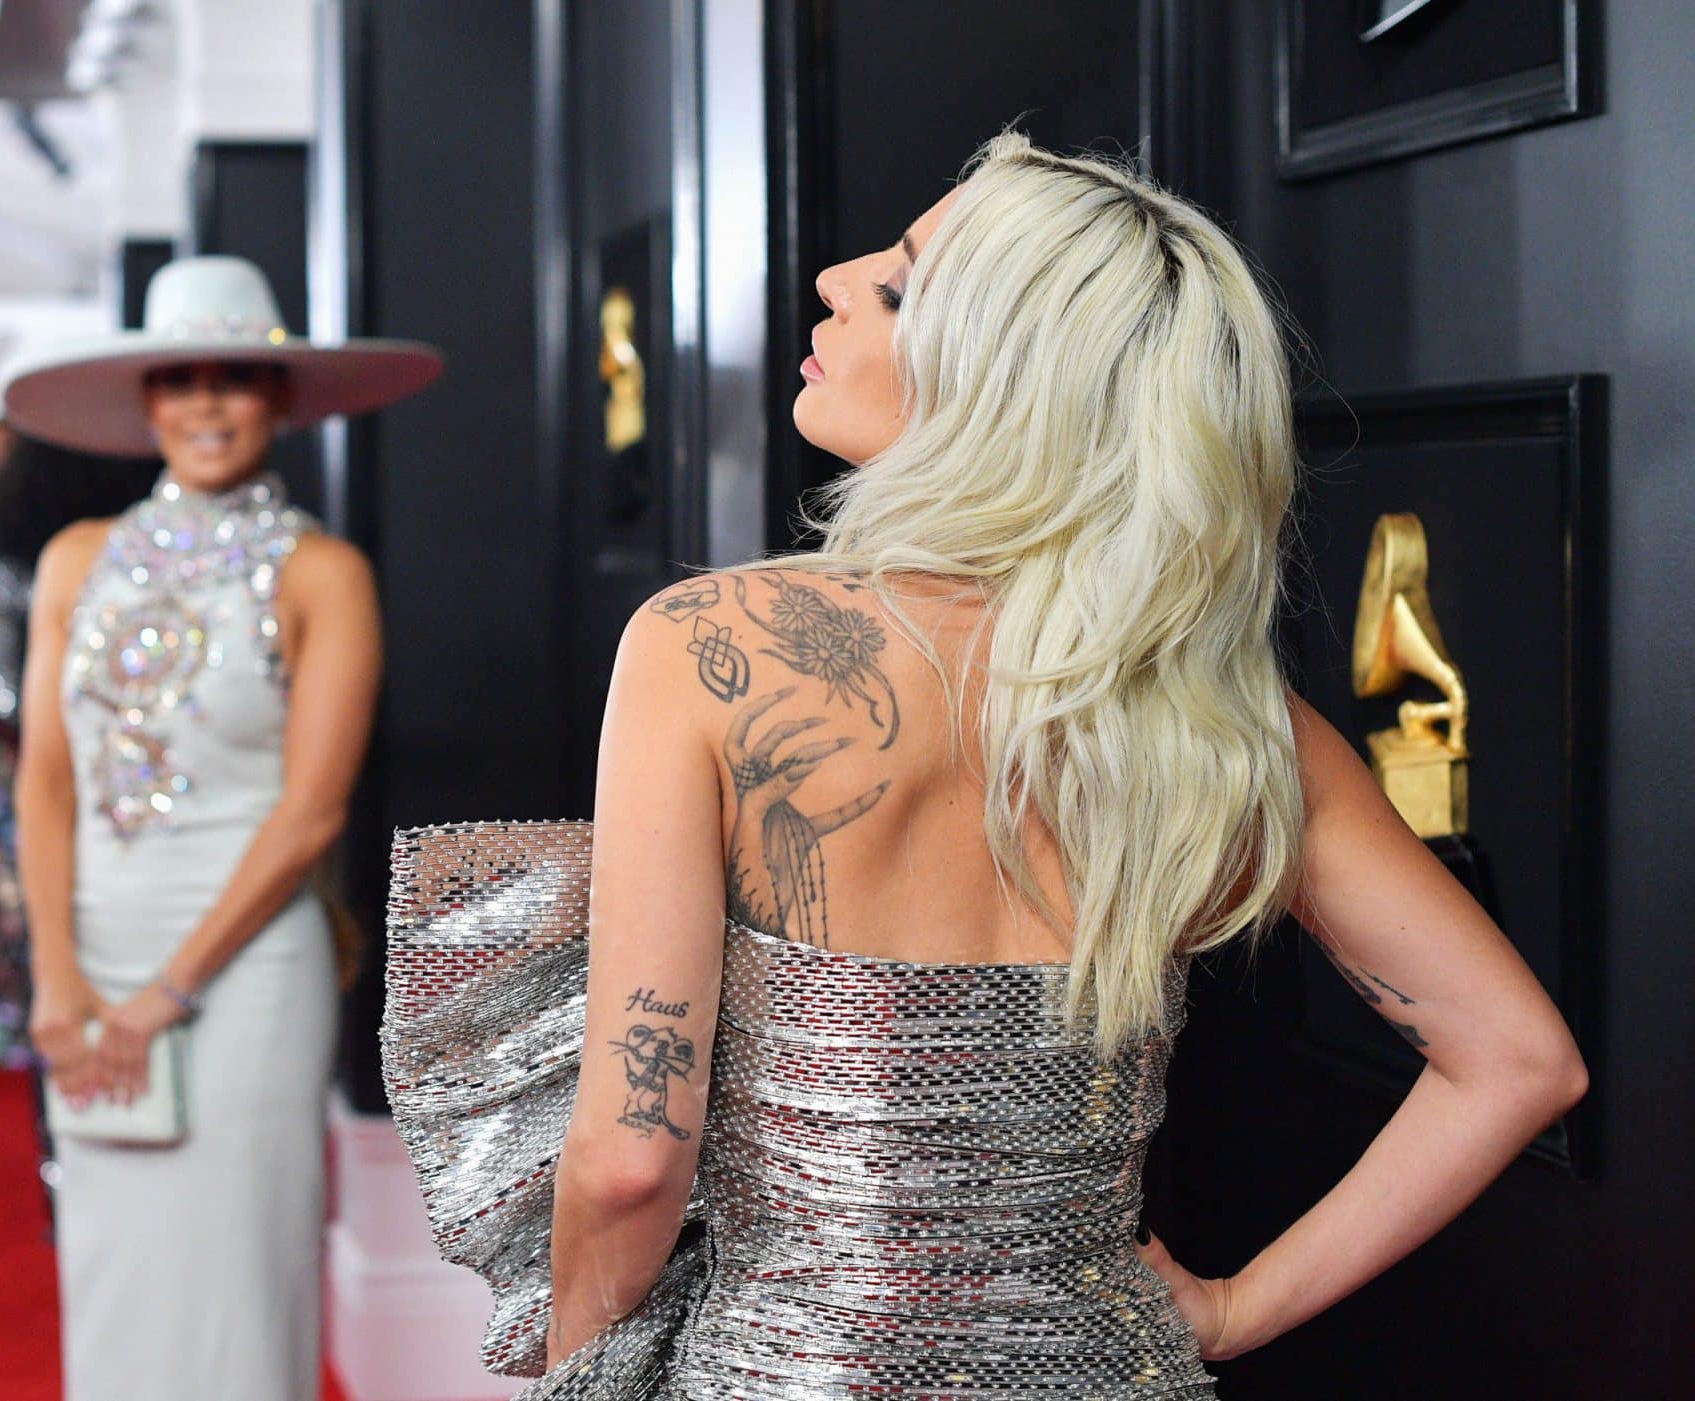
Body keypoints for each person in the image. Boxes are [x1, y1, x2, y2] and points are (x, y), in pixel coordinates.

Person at [380, 131, 1589, 1394]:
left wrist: (582, 1378)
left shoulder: (707, 647)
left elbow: (633, 1161)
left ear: (1003, 383)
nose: (834, 280)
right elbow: (1518, 1061)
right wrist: (1232, 1310)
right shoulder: (1224, 721)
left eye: (900, 287)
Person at [1, 254, 440, 1401]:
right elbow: (44, 782)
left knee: (241, 1282)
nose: (206, 404)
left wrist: (170, 992)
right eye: (180, 378)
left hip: (246, 975)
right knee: (114, 1278)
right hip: (89, 966)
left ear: (281, 396)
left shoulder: (324, 572)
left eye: (234, 377)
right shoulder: (74, 560)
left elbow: (312, 813)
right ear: (145, 399)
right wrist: (55, 978)